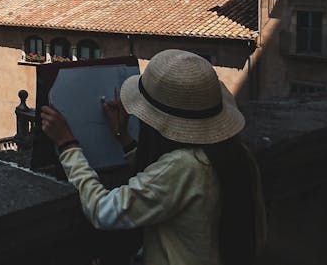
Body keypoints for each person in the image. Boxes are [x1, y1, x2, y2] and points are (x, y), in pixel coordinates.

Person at [40, 49, 266, 265]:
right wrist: (125, 140)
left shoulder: (184, 167)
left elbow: (103, 211)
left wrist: (68, 145)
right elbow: (166, 185)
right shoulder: (236, 154)